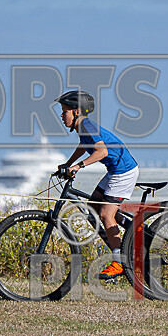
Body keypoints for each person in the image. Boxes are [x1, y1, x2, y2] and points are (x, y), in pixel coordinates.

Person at [55, 90, 139, 280]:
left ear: (76, 111)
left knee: (104, 214)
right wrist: (68, 164)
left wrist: (78, 166)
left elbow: (101, 152)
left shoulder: (86, 125)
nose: (61, 115)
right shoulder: (82, 128)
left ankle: (118, 262)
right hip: (115, 171)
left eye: (64, 111)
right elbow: (84, 147)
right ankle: (129, 237)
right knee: (93, 211)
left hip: (123, 172)